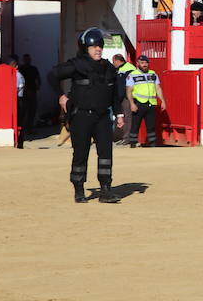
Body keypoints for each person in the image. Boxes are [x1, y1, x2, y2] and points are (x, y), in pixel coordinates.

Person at [48, 28, 125, 203]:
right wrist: (61, 96)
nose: (98, 49)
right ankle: (79, 190)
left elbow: (114, 95)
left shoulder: (108, 68)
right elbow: (52, 75)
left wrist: (119, 114)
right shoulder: (76, 65)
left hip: (103, 117)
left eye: (100, 46)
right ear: (85, 48)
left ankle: (105, 190)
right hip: (81, 116)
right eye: (93, 47)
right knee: (81, 154)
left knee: (106, 153)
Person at [124, 55, 165, 147]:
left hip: (151, 104)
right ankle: (133, 144)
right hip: (138, 104)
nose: (144, 65)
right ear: (137, 64)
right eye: (142, 63)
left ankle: (152, 145)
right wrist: (131, 104)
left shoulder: (153, 74)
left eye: (146, 63)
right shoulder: (132, 75)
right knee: (135, 126)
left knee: (151, 126)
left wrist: (162, 100)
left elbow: (158, 88)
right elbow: (129, 91)